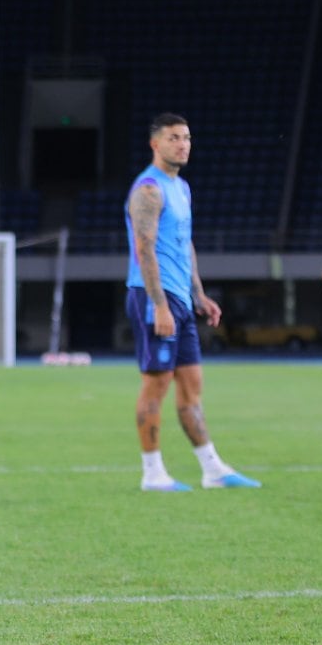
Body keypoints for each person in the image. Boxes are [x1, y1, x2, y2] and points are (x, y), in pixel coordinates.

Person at [125, 113, 261, 492]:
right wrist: (160, 306)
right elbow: (144, 247)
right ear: (156, 144)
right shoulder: (148, 190)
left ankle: (212, 469)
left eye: (186, 137)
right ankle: (152, 473)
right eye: (173, 138)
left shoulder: (181, 188)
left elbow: (184, 243)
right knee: (156, 386)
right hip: (153, 297)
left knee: (192, 385)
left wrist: (198, 293)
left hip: (181, 298)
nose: (182, 144)